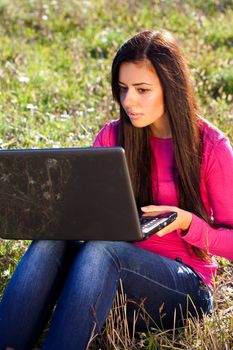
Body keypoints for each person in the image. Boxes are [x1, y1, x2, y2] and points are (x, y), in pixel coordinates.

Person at [0, 29, 233, 350]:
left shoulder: (212, 147)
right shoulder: (112, 138)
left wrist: (187, 224)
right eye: (123, 89)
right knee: (49, 241)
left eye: (142, 90)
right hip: (105, 272)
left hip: (183, 287)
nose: (128, 101)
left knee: (102, 251)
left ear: (171, 87)